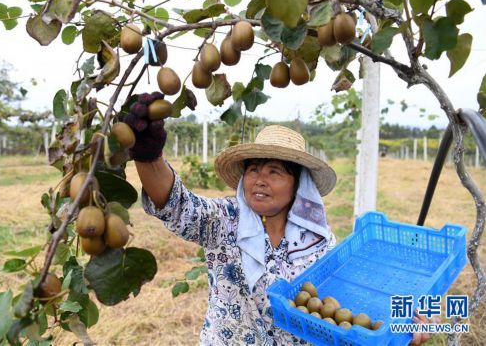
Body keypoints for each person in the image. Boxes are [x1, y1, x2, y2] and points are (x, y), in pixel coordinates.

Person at [124, 92, 434, 345]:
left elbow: (342, 312)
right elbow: (177, 205)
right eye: (254, 169)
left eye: (274, 172)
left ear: (299, 186)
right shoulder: (224, 221)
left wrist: (403, 332)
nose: (260, 180)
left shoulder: (319, 243)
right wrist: (148, 156)